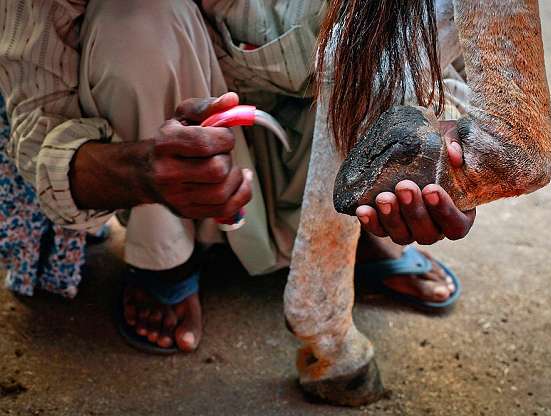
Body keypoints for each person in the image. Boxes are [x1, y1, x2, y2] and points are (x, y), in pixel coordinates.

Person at [0, 0, 474, 353]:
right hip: (178, 135)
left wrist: (441, 149)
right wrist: (142, 171)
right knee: (134, 21)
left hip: (319, 128)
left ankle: (355, 224)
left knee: (396, 25)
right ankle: (165, 253)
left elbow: (452, 50)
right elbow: (39, 127)